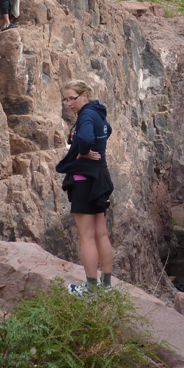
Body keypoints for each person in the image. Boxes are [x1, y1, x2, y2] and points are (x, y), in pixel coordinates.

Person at [56, 80, 115, 295]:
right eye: (66, 99)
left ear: (84, 95)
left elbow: (87, 136)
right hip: (101, 176)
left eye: (73, 98)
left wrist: (83, 151)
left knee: (87, 236)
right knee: (101, 233)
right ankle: (106, 287)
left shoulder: (87, 115)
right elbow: (107, 130)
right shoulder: (98, 113)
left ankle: (91, 291)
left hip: (84, 178)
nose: (69, 103)